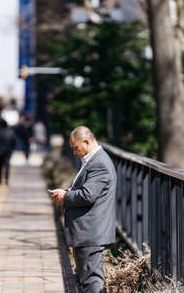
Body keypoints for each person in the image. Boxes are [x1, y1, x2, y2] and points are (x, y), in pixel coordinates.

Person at [51, 126, 117, 293]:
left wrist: (65, 196)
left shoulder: (99, 163)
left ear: (87, 142)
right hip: (87, 232)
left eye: (75, 148)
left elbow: (88, 195)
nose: (74, 152)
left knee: (92, 280)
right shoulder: (94, 161)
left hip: (90, 233)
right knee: (86, 279)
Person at [0, 118, 17, 185]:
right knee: (7, 165)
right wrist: (12, 150)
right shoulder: (11, 132)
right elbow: (14, 142)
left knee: (0, 165)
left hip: (0, 151)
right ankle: (6, 179)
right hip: (8, 152)